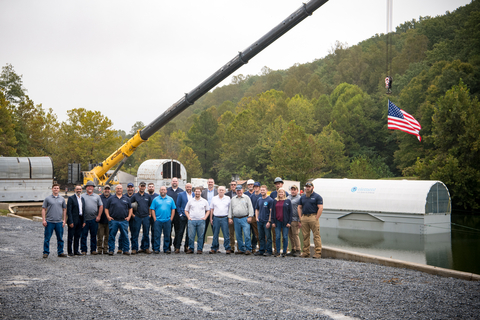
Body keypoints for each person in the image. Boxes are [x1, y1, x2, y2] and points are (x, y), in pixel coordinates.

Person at [298, 181, 323, 259]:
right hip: (304, 217)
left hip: (313, 216)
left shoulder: (317, 197)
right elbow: (299, 207)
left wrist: (316, 217)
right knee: (305, 235)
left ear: (312, 187)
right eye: (306, 187)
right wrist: (300, 217)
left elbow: (320, 207)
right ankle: (306, 252)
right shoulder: (302, 197)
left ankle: (318, 253)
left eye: (309, 187)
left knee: (316, 235)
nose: (307, 188)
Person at [105, 184, 132, 255]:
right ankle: (111, 250)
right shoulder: (111, 198)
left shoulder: (127, 199)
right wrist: (108, 216)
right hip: (114, 220)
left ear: (122, 189)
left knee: (125, 236)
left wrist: (129, 217)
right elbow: (106, 208)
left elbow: (130, 208)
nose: (119, 190)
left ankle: (126, 250)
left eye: (120, 188)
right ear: (115, 189)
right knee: (111, 236)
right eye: (118, 188)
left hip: (124, 220)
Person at [42, 183, 68, 258]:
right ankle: (46, 252)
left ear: (59, 189)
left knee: (60, 238)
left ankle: (60, 252)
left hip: (59, 222)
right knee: (47, 238)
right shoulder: (47, 199)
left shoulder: (62, 199)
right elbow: (43, 209)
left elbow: (64, 209)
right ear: (52, 189)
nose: (56, 189)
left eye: (57, 188)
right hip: (49, 222)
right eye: (54, 188)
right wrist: (44, 220)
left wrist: (64, 220)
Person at [228, 185, 254, 255]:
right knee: (238, 235)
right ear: (236, 191)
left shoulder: (247, 198)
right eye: (237, 190)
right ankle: (241, 249)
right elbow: (230, 209)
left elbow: (250, 208)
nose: (239, 192)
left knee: (247, 234)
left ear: (242, 190)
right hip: (236, 218)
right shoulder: (233, 199)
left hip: (245, 218)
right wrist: (230, 218)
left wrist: (250, 216)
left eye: (240, 190)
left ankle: (248, 249)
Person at [150, 186, 176, 254]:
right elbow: (152, 209)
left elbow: (173, 209)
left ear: (166, 191)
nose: (163, 191)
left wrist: (171, 219)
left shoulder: (170, 199)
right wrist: (155, 219)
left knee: (167, 235)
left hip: (167, 220)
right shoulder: (155, 199)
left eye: (164, 190)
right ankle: (156, 249)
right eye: (162, 190)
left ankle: (166, 249)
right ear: (159, 191)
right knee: (156, 236)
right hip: (158, 221)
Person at [185, 186, 210, 254]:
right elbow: (186, 210)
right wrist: (188, 217)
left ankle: (199, 249)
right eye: (196, 191)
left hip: (201, 221)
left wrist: (205, 217)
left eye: (199, 191)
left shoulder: (204, 201)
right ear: (194, 192)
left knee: (201, 236)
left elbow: (208, 210)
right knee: (191, 236)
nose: (197, 193)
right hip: (192, 221)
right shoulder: (190, 201)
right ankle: (191, 248)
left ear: (201, 192)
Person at [80, 180, 103, 255]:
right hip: (84, 220)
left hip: (94, 219)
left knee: (93, 235)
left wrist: (99, 216)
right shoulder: (82, 196)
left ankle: (93, 250)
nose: (90, 187)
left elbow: (101, 206)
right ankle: (83, 250)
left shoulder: (97, 196)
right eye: (88, 186)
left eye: (91, 186)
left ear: (93, 188)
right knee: (83, 235)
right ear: (86, 188)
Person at [130, 182, 153, 254]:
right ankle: (134, 249)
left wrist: (150, 214)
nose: (142, 187)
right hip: (137, 217)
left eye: (144, 186)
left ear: (145, 187)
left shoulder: (148, 196)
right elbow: (129, 206)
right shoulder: (134, 196)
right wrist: (132, 214)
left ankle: (146, 248)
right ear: (139, 187)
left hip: (146, 217)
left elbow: (150, 206)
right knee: (135, 233)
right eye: (141, 186)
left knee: (146, 233)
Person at [209, 186, 231, 254]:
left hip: (225, 218)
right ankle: (214, 248)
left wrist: (229, 218)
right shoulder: (214, 198)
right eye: (220, 190)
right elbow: (211, 209)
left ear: (225, 191)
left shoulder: (228, 198)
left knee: (226, 234)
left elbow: (230, 209)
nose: (221, 191)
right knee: (215, 234)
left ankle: (227, 248)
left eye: (222, 190)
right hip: (216, 218)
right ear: (217, 191)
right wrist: (211, 218)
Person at [269, 177, 289, 254]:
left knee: (285, 236)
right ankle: (276, 250)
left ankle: (285, 250)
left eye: (279, 183)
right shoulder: (272, 194)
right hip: (276, 218)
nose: (278, 185)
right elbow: (271, 207)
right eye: (276, 184)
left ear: (282, 184)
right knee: (276, 235)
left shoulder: (286, 193)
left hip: (284, 219)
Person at [271, 188, 292, 257]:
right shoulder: (275, 201)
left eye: (282, 192)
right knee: (277, 237)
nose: (281, 194)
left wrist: (289, 222)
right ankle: (277, 251)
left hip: (285, 222)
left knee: (285, 237)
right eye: (279, 192)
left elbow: (290, 212)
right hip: (277, 221)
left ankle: (284, 251)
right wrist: (273, 221)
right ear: (278, 193)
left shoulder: (288, 201)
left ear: (284, 193)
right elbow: (273, 211)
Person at [254, 185, 274, 257]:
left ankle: (269, 251)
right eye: (261, 190)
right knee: (261, 236)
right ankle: (261, 250)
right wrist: (257, 218)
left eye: (263, 190)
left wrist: (269, 221)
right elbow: (257, 209)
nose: (262, 191)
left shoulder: (270, 200)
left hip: (266, 221)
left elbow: (271, 211)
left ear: (266, 190)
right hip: (260, 221)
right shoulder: (259, 199)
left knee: (268, 236)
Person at [175, 183, 194, 253]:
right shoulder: (181, 194)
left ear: (191, 188)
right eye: (187, 187)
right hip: (183, 216)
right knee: (180, 232)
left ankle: (186, 246)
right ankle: (177, 247)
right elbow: (178, 205)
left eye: (190, 187)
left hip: (191, 216)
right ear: (185, 187)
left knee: (189, 233)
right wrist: (180, 214)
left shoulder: (194, 195)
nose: (188, 188)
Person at [66, 184, 85, 256]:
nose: (79, 190)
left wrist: (84, 221)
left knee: (77, 236)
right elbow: (69, 211)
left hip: (80, 219)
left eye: (80, 189)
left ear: (81, 190)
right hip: (73, 220)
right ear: (75, 190)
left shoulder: (82, 198)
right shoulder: (71, 198)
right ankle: (70, 251)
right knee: (70, 236)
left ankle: (76, 251)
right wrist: (70, 221)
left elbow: (84, 210)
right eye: (77, 189)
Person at [167, 177, 184, 253]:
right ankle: (168, 246)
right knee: (168, 230)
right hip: (169, 213)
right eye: (173, 181)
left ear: (178, 182)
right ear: (171, 182)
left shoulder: (181, 192)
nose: (174, 182)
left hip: (178, 214)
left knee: (178, 231)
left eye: (176, 181)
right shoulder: (167, 191)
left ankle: (176, 246)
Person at [244, 179, 259, 253]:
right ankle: (248, 247)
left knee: (255, 232)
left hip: (254, 216)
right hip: (247, 215)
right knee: (247, 232)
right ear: (247, 185)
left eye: (252, 184)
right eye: (249, 184)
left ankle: (254, 246)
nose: (250, 186)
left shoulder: (257, 194)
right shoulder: (245, 194)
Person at [201, 178, 217, 246]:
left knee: (215, 231)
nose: (210, 183)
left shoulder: (217, 192)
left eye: (211, 182)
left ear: (214, 183)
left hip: (215, 213)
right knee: (203, 230)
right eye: (209, 182)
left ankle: (216, 247)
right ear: (207, 183)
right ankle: (200, 246)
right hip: (205, 213)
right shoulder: (203, 192)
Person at [120, 182, 135, 254]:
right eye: (129, 187)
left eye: (131, 187)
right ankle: (120, 248)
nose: (130, 188)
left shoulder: (136, 196)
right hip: (125, 218)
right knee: (122, 233)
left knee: (133, 233)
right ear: (127, 188)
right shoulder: (123, 196)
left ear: (133, 188)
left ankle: (133, 248)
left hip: (134, 218)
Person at [287, 185, 301, 257]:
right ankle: (293, 249)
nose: (293, 191)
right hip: (289, 219)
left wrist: (300, 220)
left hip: (295, 219)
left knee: (295, 235)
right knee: (290, 235)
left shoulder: (299, 198)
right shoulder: (288, 197)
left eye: (294, 190)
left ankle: (298, 249)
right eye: (292, 190)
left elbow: (301, 209)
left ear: (297, 191)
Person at [225, 180, 238, 253]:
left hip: (238, 215)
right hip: (230, 215)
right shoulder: (227, 194)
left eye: (234, 184)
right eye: (232, 185)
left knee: (239, 232)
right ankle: (232, 247)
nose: (233, 186)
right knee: (231, 233)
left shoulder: (240, 193)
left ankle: (240, 248)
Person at [98, 185, 111, 254]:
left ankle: (105, 249)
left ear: (110, 190)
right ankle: (99, 249)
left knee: (107, 236)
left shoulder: (112, 197)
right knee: (100, 236)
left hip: (109, 220)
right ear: (103, 190)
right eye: (105, 189)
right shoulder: (99, 197)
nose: (107, 190)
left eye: (108, 189)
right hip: (101, 220)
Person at [147, 183, 159, 251]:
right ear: (147, 188)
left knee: (155, 232)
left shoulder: (157, 196)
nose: (151, 188)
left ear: (154, 188)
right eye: (150, 187)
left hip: (155, 216)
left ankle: (155, 247)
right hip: (146, 216)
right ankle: (145, 247)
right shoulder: (145, 196)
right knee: (146, 232)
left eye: (152, 186)